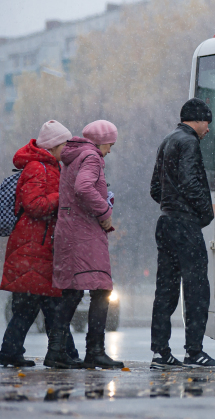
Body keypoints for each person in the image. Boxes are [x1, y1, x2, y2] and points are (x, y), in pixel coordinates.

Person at [149, 98, 215, 369]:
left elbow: (154, 190)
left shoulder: (167, 141)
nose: (208, 130)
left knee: (166, 290)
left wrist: (171, 203)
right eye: (207, 123)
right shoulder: (189, 142)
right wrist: (205, 213)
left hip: (166, 222)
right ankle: (194, 352)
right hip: (185, 225)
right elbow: (190, 182)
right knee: (196, 290)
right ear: (198, 120)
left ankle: (160, 353)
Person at [0, 121, 80, 367]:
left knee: (40, 304)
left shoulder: (51, 167)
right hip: (33, 245)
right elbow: (34, 205)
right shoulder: (37, 168)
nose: (67, 149)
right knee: (42, 304)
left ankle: (16, 352)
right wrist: (61, 197)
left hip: (39, 245)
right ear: (55, 145)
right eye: (65, 144)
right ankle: (61, 354)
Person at [44, 120, 123, 369]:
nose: (109, 150)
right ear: (102, 141)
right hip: (85, 233)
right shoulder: (92, 156)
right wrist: (104, 211)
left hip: (69, 231)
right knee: (101, 290)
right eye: (110, 144)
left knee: (72, 292)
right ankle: (95, 350)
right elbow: (84, 187)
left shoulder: (73, 156)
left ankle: (55, 350)